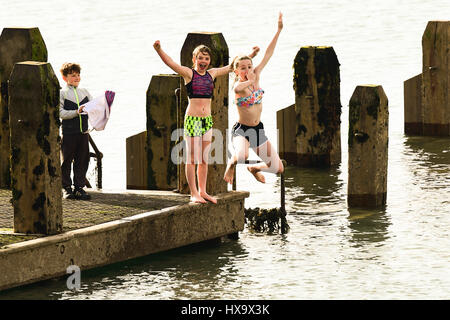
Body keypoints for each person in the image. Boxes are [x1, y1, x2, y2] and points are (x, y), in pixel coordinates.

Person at [153, 41, 258, 204]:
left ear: (209, 61)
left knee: (204, 159)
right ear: (194, 58)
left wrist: (252, 55)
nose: (203, 61)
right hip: (193, 120)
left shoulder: (212, 73)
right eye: (200, 58)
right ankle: (193, 193)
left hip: (207, 120)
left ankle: (203, 191)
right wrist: (159, 49)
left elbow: (233, 66)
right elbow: (171, 63)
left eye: (206, 58)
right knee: (192, 158)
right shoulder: (189, 74)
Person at [224, 12, 285, 185]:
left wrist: (278, 30)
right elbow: (238, 87)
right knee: (242, 155)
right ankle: (231, 163)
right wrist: (248, 80)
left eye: (249, 66)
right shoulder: (238, 86)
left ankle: (255, 168)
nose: (247, 69)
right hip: (241, 131)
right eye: (242, 68)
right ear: (236, 71)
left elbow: (268, 53)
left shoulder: (256, 75)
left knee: (278, 168)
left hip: (258, 130)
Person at [59, 62, 92, 200]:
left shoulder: (85, 92)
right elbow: (61, 113)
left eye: (78, 75)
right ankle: (66, 188)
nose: (77, 77)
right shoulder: (62, 93)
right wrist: (76, 112)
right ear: (65, 77)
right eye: (73, 75)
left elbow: (94, 108)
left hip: (83, 133)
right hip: (69, 134)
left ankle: (79, 188)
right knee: (66, 160)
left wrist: (105, 104)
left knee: (83, 160)